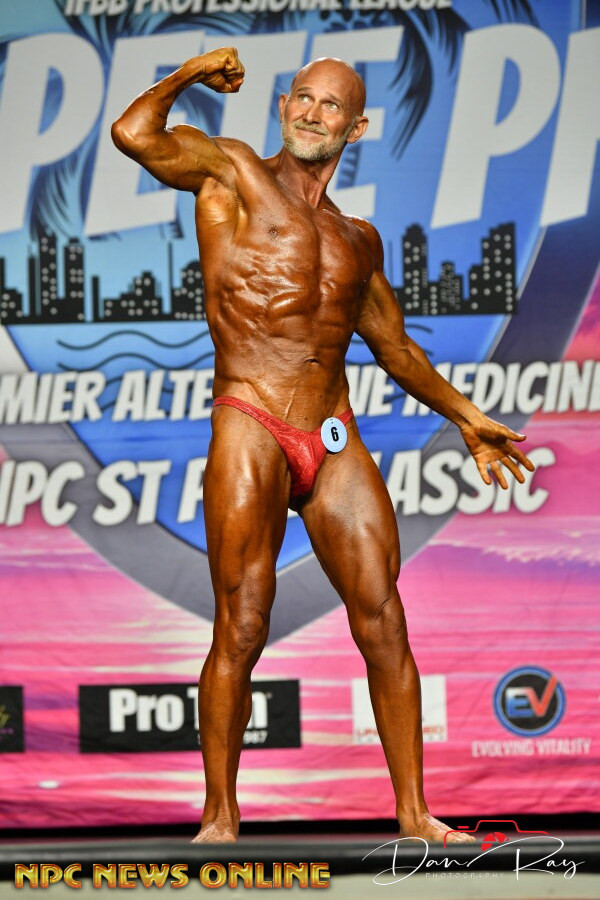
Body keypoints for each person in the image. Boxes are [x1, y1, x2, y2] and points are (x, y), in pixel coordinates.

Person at [112, 47, 534, 844]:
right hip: (251, 416)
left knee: (384, 619)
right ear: (282, 106)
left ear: (355, 127)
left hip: (333, 435)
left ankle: (415, 815)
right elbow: (134, 134)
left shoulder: (357, 238)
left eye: (329, 104)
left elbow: (396, 349)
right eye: (302, 98)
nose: (311, 112)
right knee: (243, 623)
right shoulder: (232, 172)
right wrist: (192, 72)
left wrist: (467, 416)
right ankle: (220, 816)